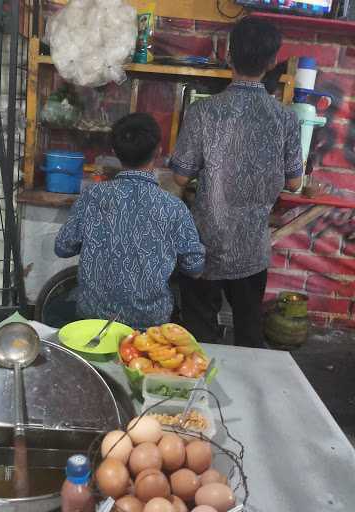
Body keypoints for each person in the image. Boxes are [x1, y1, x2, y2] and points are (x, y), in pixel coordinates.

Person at [169, 17, 303, 348]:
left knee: (199, 335)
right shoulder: (286, 118)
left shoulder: (204, 112)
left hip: (205, 244)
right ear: (272, 61)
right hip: (252, 250)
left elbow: (180, 177)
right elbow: (296, 182)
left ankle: (200, 393)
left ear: (229, 57)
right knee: (248, 331)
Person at [55, 113, 205, 330]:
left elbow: (62, 247)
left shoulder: (93, 196)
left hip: (93, 323)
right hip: (147, 329)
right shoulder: (173, 207)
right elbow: (195, 267)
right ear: (158, 151)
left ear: (115, 152)